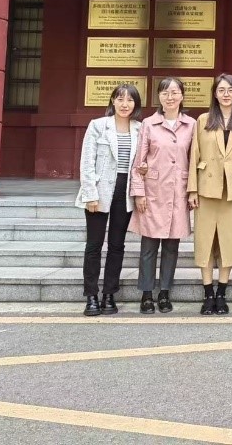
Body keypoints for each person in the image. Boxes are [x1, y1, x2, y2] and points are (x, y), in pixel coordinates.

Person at [187, 74, 232, 316]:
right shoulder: (203, 120)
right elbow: (194, 156)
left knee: (229, 243)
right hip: (206, 189)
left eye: (231, 90)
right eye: (221, 90)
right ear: (215, 94)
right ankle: (208, 294)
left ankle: (222, 294)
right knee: (205, 242)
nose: (226, 94)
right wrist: (192, 189)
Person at [75, 83, 143, 316]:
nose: (125, 104)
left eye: (130, 100)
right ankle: (91, 296)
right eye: (120, 99)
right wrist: (90, 194)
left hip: (125, 192)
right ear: (113, 101)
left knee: (117, 245)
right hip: (100, 190)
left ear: (136, 104)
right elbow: (87, 162)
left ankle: (109, 294)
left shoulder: (140, 129)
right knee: (94, 245)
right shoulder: (98, 125)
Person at [130, 77, 195, 315]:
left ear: (182, 96)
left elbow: (194, 160)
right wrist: (138, 193)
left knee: (171, 247)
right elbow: (139, 162)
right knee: (148, 246)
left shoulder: (191, 125)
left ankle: (165, 292)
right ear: (159, 96)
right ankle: (147, 294)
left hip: (178, 191)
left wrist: (193, 191)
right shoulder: (149, 124)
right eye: (165, 92)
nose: (170, 97)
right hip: (153, 191)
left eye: (175, 92)